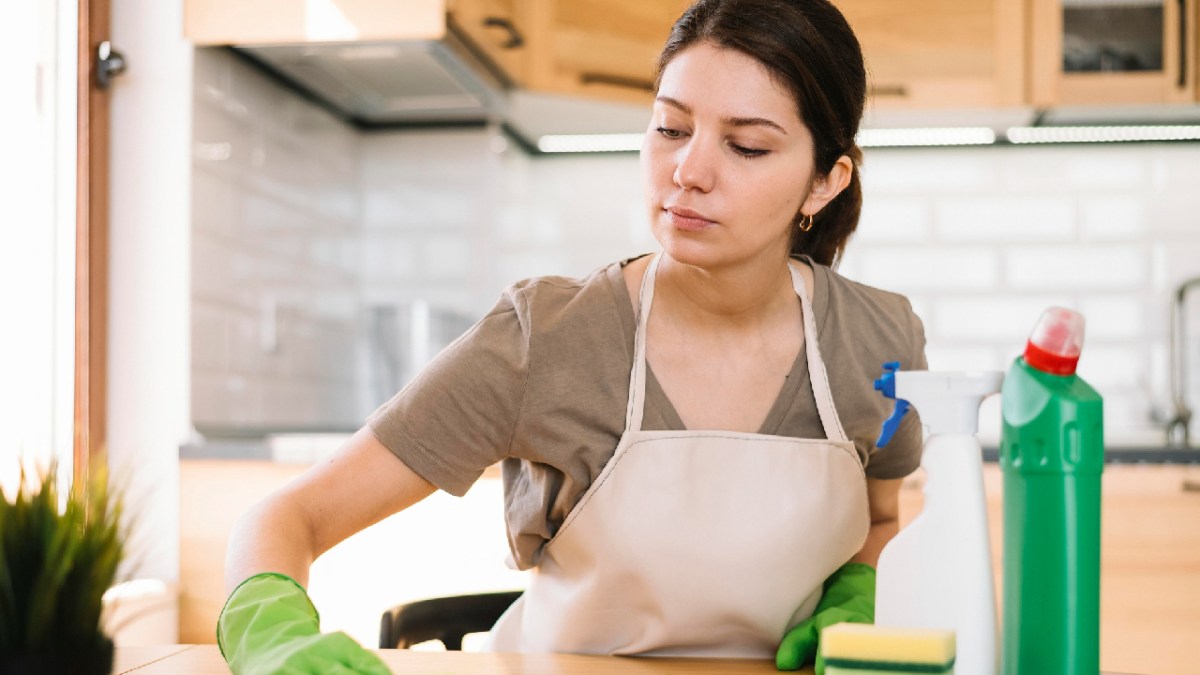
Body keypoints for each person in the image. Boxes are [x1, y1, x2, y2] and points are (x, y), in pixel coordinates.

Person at [216, 0, 928, 673]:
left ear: (824, 183)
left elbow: (881, 516)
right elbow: (288, 514)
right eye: (671, 128)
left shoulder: (878, 339)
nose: (688, 171)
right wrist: (270, 631)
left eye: (745, 146)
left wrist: (858, 588)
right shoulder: (545, 337)